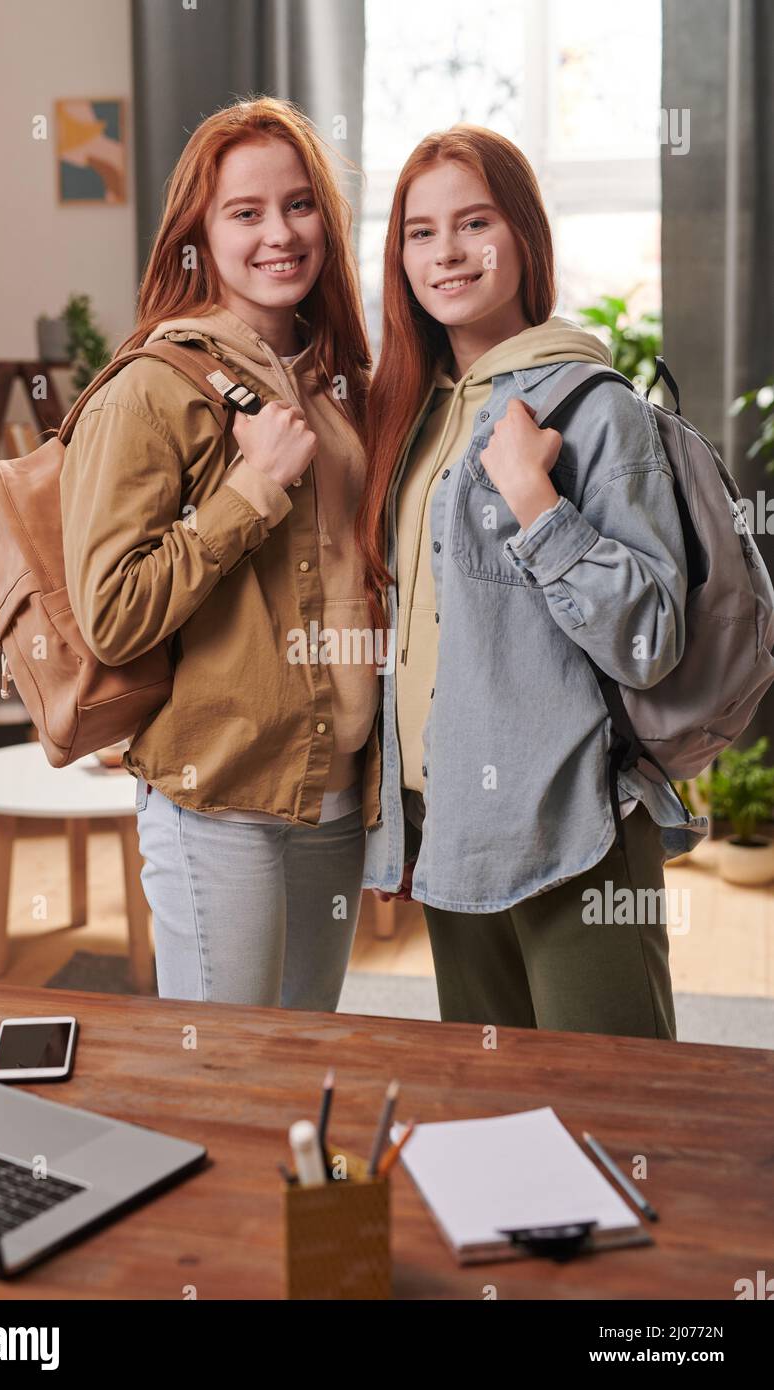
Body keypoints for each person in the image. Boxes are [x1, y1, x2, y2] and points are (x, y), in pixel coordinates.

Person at [357, 125, 706, 1038]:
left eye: (474, 223)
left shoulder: (599, 410)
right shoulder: (416, 417)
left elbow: (651, 635)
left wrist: (536, 503)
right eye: (421, 232)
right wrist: (394, 819)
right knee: (493, 1114)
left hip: (573, 828)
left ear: (524, 234)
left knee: (616, 1119)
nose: (447, 253)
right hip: (450, 828)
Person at [60, 98, 380, 1009]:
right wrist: (251, 493)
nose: (278, 233)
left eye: (300, 205)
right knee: (224, 1076)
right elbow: (113, 615)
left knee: (299, 1051)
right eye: (245, 213)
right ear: (199, 234)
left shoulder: (336, 381)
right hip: (220, 793)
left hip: (332, 786)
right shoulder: (150, 390)